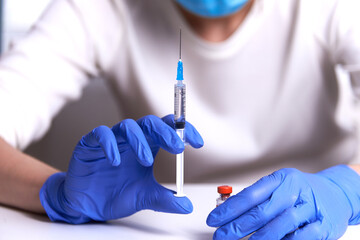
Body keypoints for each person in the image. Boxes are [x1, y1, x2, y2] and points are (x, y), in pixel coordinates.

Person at [1, 0, 360, 239]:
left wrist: (347, 188)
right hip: (174, 223)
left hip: (317, 222)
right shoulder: (99, 8)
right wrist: (56, 192)